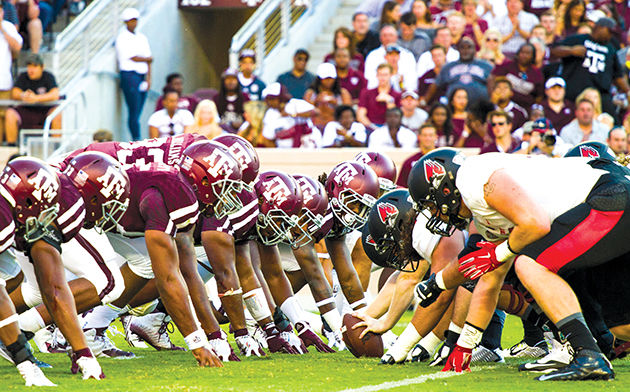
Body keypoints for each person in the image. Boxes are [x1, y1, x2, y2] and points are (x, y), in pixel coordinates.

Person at [408, 148, 626, 381]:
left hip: (608, 193)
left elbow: (536, 224)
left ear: (445, 188)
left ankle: (588, 355)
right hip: (614, 192)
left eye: (431, 206)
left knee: (530, 265)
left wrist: (498, 253)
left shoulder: (471, 178)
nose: (435, 214)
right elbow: (490, 281)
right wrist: (465, 346)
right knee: (622, 325)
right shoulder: (485, 213)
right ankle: (587, 349)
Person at [551, 17, 630, 118]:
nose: (610, 35)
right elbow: (554, 51)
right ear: (599, 27)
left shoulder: (611, 49)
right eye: (609, 31)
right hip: (574, 93)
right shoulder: (579, 39)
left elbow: (618, 75)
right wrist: (571, 51)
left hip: (600, 95)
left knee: (612, 120)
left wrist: (628, 91)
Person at [4, 53, 60, 146]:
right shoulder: (23, 76)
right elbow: (14, 92)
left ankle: (56, 145)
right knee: (10, 113)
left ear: (42, 67)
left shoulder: (48, 77)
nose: (31, 70)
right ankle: (11, 146)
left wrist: (36, 98)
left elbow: (55, 94)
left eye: (34, 66)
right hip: (26, 112)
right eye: (29, 66)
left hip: (44, 112)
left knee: (57, 113)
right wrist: (23, 95)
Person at [115, 8, 151, 141]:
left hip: (142, 75)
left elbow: (149, 59)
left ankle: (137, 137)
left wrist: (149, 78)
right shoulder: (122, 38)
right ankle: (136, 138)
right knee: (133, 110)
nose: (133, 23)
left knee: (138, 110)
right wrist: (147, 59)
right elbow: (131, 57)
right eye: (131, 20)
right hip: (129, 75)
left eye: (135, 20)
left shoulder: (141, 37)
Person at [423, 37, 493, 105]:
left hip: (480, 108)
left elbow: (493, 87)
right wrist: (424, 102)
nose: (466, 50)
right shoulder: (448, 67)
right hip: (453, 108)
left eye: (469, 47)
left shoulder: (486, 66)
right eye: (462, 47)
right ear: (458, 50)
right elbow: (435, 85)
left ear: (474, 50)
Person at [489, 43, 544, 109]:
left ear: (533, 56)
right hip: (503, 104)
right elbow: (492, 78)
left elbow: (539, 96)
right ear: (518, 53)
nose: (524, 55)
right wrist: (492, 94)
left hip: (525, 107)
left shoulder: (536, 73)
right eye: (522, 52)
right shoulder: (507, 65)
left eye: (528, 53)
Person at [364, 25, 417, 91]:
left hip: (403, 94)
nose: (388, 38)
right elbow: (370, 80)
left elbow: (412, 81)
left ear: (396, 37)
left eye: (391, 35)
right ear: (380, 38)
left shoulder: (407, 55)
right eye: (385, 35)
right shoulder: (372, 56)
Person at [303, 63, 352, 130]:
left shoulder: (343, 93)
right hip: (315, 125)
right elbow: (305, 112)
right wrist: (315, 102)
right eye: (326, 78)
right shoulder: (310, 93)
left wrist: (336, 103)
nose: (328, 81)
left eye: (331, 78)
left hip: (336, 126)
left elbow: (348, 111)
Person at [0, 6, 22, 143]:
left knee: (5, 117)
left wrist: (2, 29)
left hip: (4, 82)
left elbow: (17, 48)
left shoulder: (8, 27)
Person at [357, 63, 401, 129]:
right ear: (377, 75)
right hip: (370, 127)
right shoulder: (366, 93)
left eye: (385, 75)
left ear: (391, 75)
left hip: (390, 128)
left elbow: (396, 116)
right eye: (380, 74)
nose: (382, 77)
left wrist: (389, 100)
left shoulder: (397, 95)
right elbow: (360, 115)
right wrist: (373, 128)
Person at [214, 68, 248, 133]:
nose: (231, 81)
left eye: (234, 79)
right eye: (228, 79)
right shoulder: (216, 98)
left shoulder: (245, 98)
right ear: (223, 81)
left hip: (241, 132)